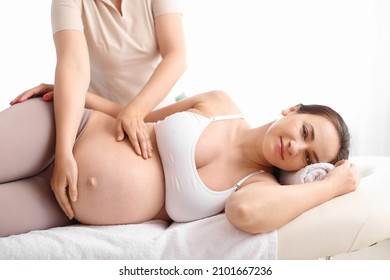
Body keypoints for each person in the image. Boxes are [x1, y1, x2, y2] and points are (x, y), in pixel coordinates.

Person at [0, 90, 360, 237]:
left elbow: (246, 214)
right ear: (292, 110)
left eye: (309, 158)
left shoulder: (257, 186)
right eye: (305, 131)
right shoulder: (220, 105)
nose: (295, 147)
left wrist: (331, 187)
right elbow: (137, 114)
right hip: (69, 129)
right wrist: (70, 92)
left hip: (59, 204)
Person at [8, 0, 186, 216]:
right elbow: (73, 63)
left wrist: (135, 111)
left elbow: (176, 56)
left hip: (147, 124)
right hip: (91, 121)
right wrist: (63, 152)